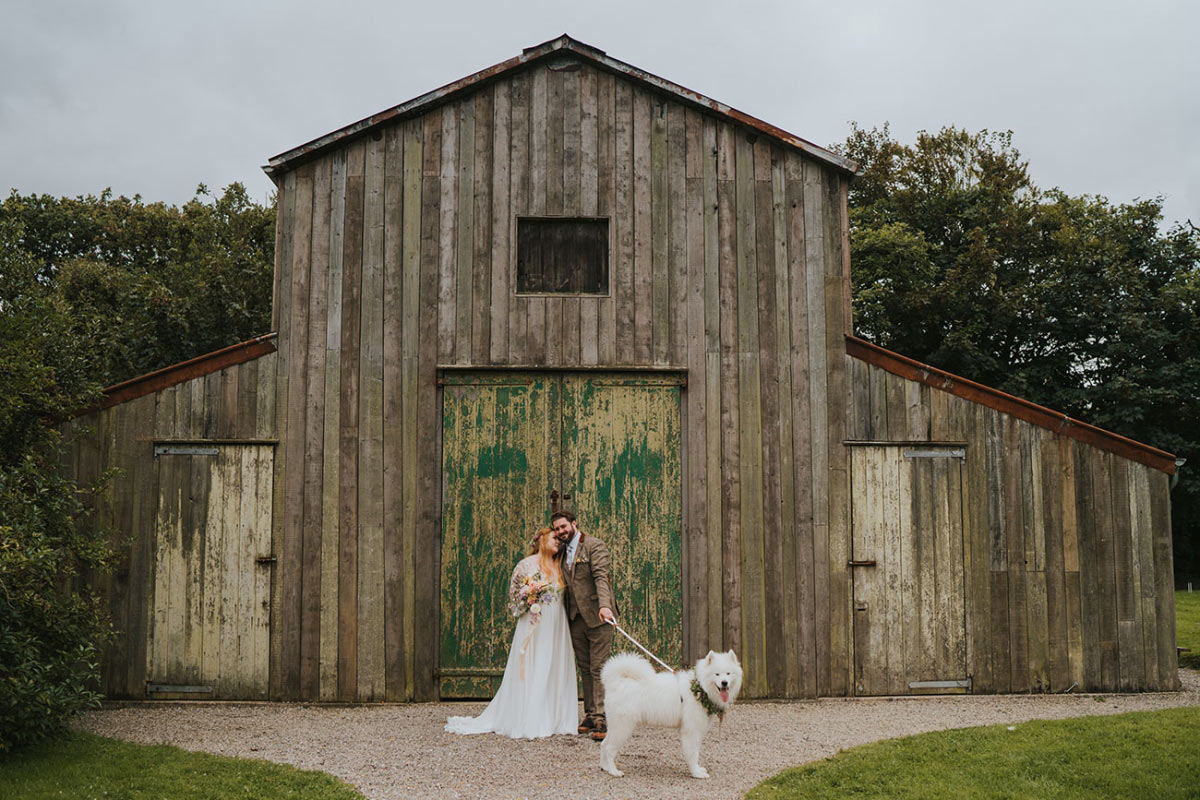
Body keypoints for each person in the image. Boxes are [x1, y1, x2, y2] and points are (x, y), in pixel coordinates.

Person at [444, 527, 577, 739]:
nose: (558, 543)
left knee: (554, 664)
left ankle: (555, 718)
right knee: (535, 664)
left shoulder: (560, 565)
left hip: (557, 624)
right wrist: (530, 597)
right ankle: (531, 718)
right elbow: (514, 596)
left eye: (560, 541)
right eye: (554, 538)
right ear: (541, 539)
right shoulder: (526, 565)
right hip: (535, 623)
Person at [552, 510, 617, 741]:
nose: (561, 532)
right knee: (585, 666)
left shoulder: (593, 545)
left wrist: (605, 606)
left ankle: (601, 718)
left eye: (563, 527)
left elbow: (601, 576)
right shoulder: (559, 551)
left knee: (598, 668)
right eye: (557, 529)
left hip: (599, 616)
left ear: (574, 523)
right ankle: (590, 714)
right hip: (575, 618)